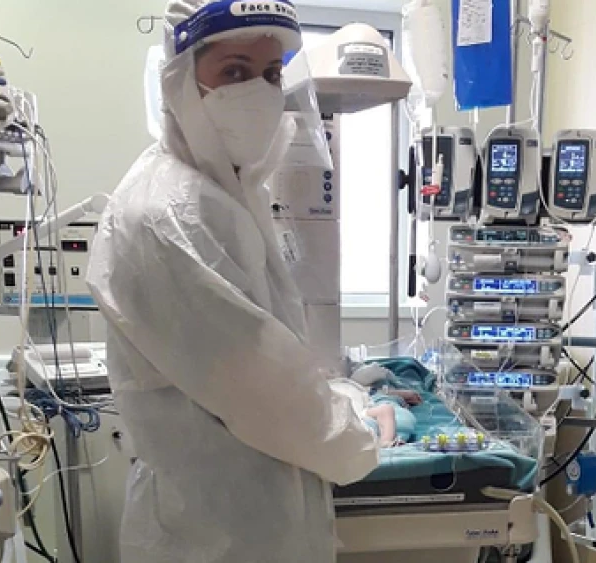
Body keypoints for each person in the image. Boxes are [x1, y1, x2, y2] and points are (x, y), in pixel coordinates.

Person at [84, 2, 379, 562]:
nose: (262, 94)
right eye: (235, 72)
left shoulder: (225, 199)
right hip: (212, 533)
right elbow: (270, 397)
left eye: (272, 74)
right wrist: (366, 429)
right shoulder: (168, 216)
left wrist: (341, 397)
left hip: (246, 524)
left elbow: (270, 358)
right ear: (179, 81)